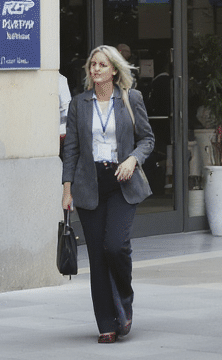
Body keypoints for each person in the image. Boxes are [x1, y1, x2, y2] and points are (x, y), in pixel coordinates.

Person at [61, 45, 154, 344]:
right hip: (90, 184)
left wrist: (132, 160)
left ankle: (124, 300)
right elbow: (71, 149)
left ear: (114, 69)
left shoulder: (130, 98)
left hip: (121, 181)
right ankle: (106, 324)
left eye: (102, 65)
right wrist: (67, 190)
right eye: (93, 65)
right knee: (98, 257)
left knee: (115, 246)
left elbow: (147, 139)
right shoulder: (79, 103)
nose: (96, 69)